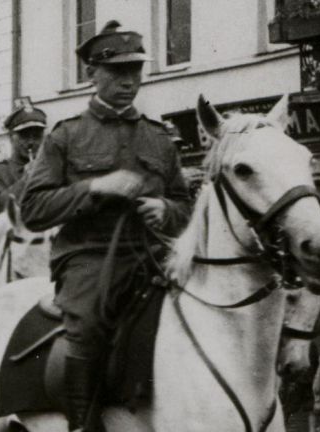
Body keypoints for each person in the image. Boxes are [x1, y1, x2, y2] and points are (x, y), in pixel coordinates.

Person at [20, 21, 191, 432]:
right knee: (88, 324)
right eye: (117, 72)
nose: (129, 82)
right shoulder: (67, 136)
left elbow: (186, 205)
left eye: (135, 71)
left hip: (152, 255)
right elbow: (33, 209)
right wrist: (95, 187)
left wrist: (166, 209)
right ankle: (82, 422)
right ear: (91, 74)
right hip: (89, 256)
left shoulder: (159, 138)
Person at [0, 101, 47, 220]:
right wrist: (24, 181)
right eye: (24, 136)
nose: (31, 142)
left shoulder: (51, 167)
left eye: (37, 136)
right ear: (11, 137)